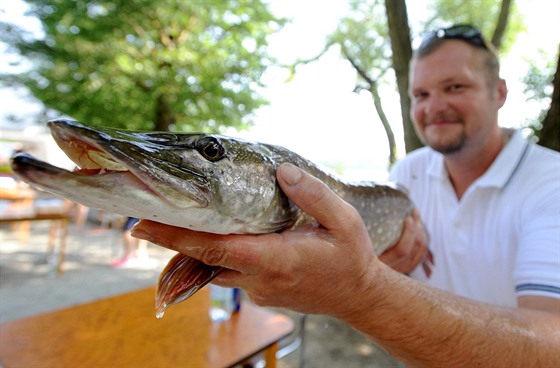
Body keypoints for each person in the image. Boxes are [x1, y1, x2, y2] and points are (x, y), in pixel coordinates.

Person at [131, 24, 559, 366]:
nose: (434, 106)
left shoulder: (552, 181)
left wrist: (367, 290)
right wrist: (383, 270)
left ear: (500, 92)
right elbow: (381, 263)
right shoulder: (409, 172)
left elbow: (550, 346)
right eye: (420, 94)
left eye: (455, 88)